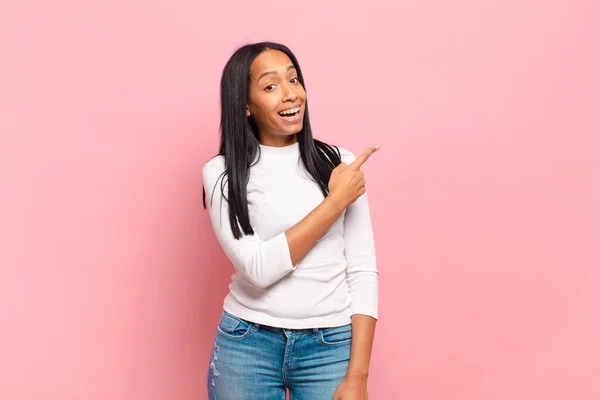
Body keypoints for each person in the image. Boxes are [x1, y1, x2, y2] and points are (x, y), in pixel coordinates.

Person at [202, 41, 380, 400]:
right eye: (270, 86)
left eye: (294, 80)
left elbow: (362, 270)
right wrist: (334, 202)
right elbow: (258, 268)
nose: (290, 95)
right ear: (245, 105)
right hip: (247, 346)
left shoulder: (338, 163)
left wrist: (358, 375)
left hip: (329, 347)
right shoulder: (222, 173)